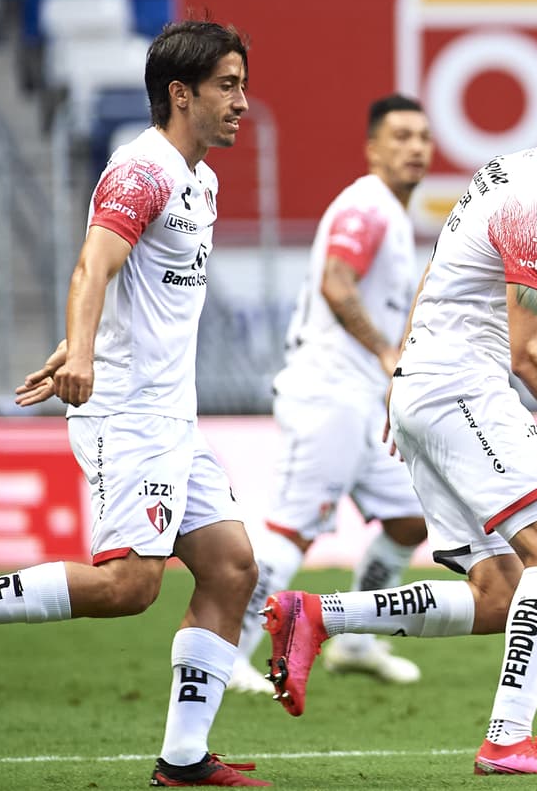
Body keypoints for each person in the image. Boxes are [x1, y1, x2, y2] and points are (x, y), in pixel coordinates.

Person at [260, 64, 537, 776]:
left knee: (498, 595)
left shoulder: (507, 177)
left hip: (430, 387)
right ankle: (509, 737)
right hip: (460, 389)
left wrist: (405, 378)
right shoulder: (536, 209)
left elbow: (437, 276)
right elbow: (531, 355)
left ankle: (319, 614)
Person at [5, 20, 271, 787]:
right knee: (130, 585)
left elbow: (129, 286)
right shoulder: (142, 169)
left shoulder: (202, 179)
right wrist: (83, 350)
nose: (243, 103)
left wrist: (90, 337)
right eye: (228, 85)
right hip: (127, 412)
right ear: (181, 93)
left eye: (243, 85)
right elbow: (95, 260)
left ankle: (183, 759)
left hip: (170, 415)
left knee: (230, 568)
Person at [227, 95, 434, 695]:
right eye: (400, 136)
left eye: (422, 137)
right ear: (372, 148)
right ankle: (231, 650)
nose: (415, 147)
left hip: (361, 400)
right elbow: (337, 284)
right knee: (293, 529)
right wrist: (387, 353)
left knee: (410, 519)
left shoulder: (391, 216)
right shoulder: (367, 206)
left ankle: (357, 641)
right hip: (329, 391)